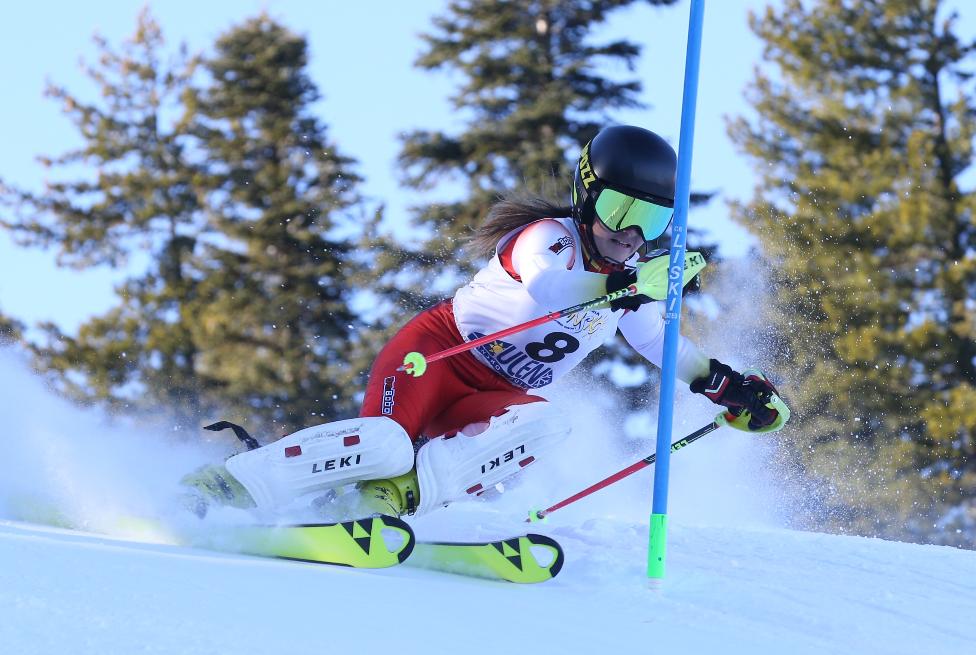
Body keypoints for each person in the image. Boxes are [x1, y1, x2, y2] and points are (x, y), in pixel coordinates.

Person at [184, 125, 790, 520]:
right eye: (619, 209)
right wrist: (627, 286)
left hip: (494, 395)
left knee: (549, 423)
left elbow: (662, 343)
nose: (631, 233)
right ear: (587, 195)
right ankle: (230, 486)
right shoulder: (549, 238)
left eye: (652, 222)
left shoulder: (632, 285)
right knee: (387, 445)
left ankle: (394, 504)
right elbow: (551, 290)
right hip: (438, 357)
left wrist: (727, 386)